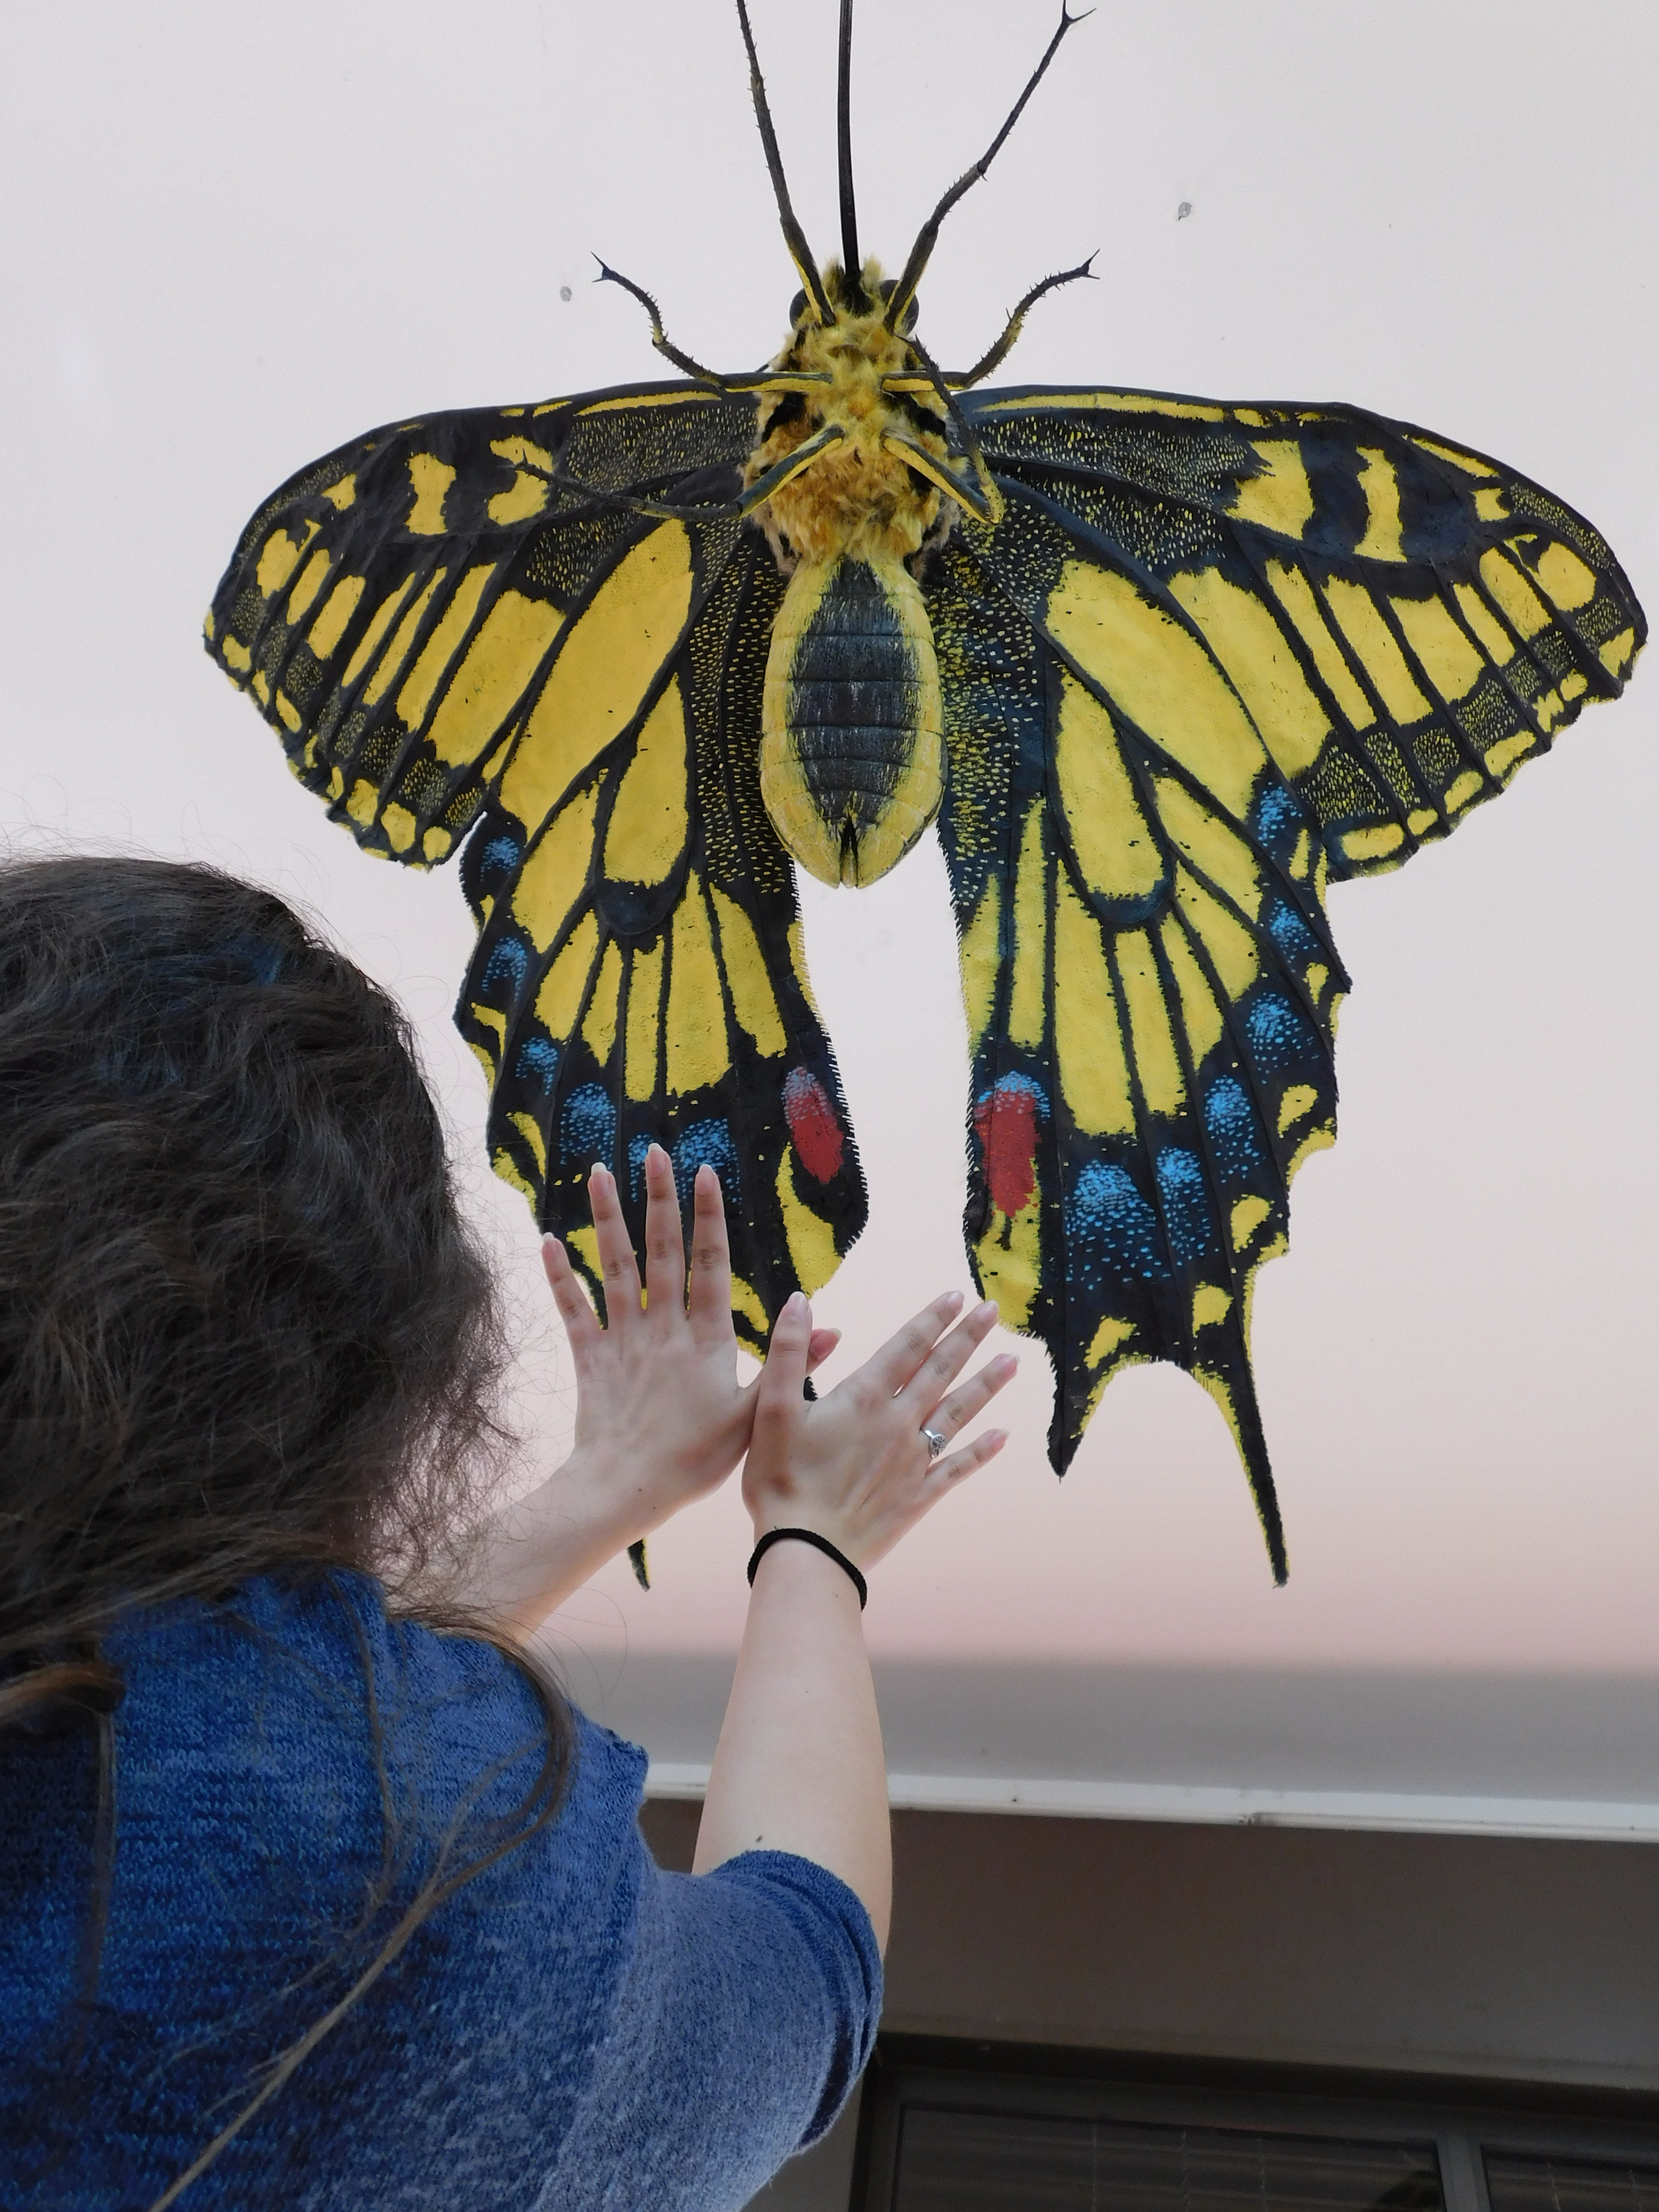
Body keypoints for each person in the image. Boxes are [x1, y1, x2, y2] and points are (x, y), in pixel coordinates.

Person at [0, 855, 1015, 2211]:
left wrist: (609, 1487)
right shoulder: (431, 1920)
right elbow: (804, 1976)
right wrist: (814, 1548)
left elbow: (211, 1716)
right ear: (381, 1365)